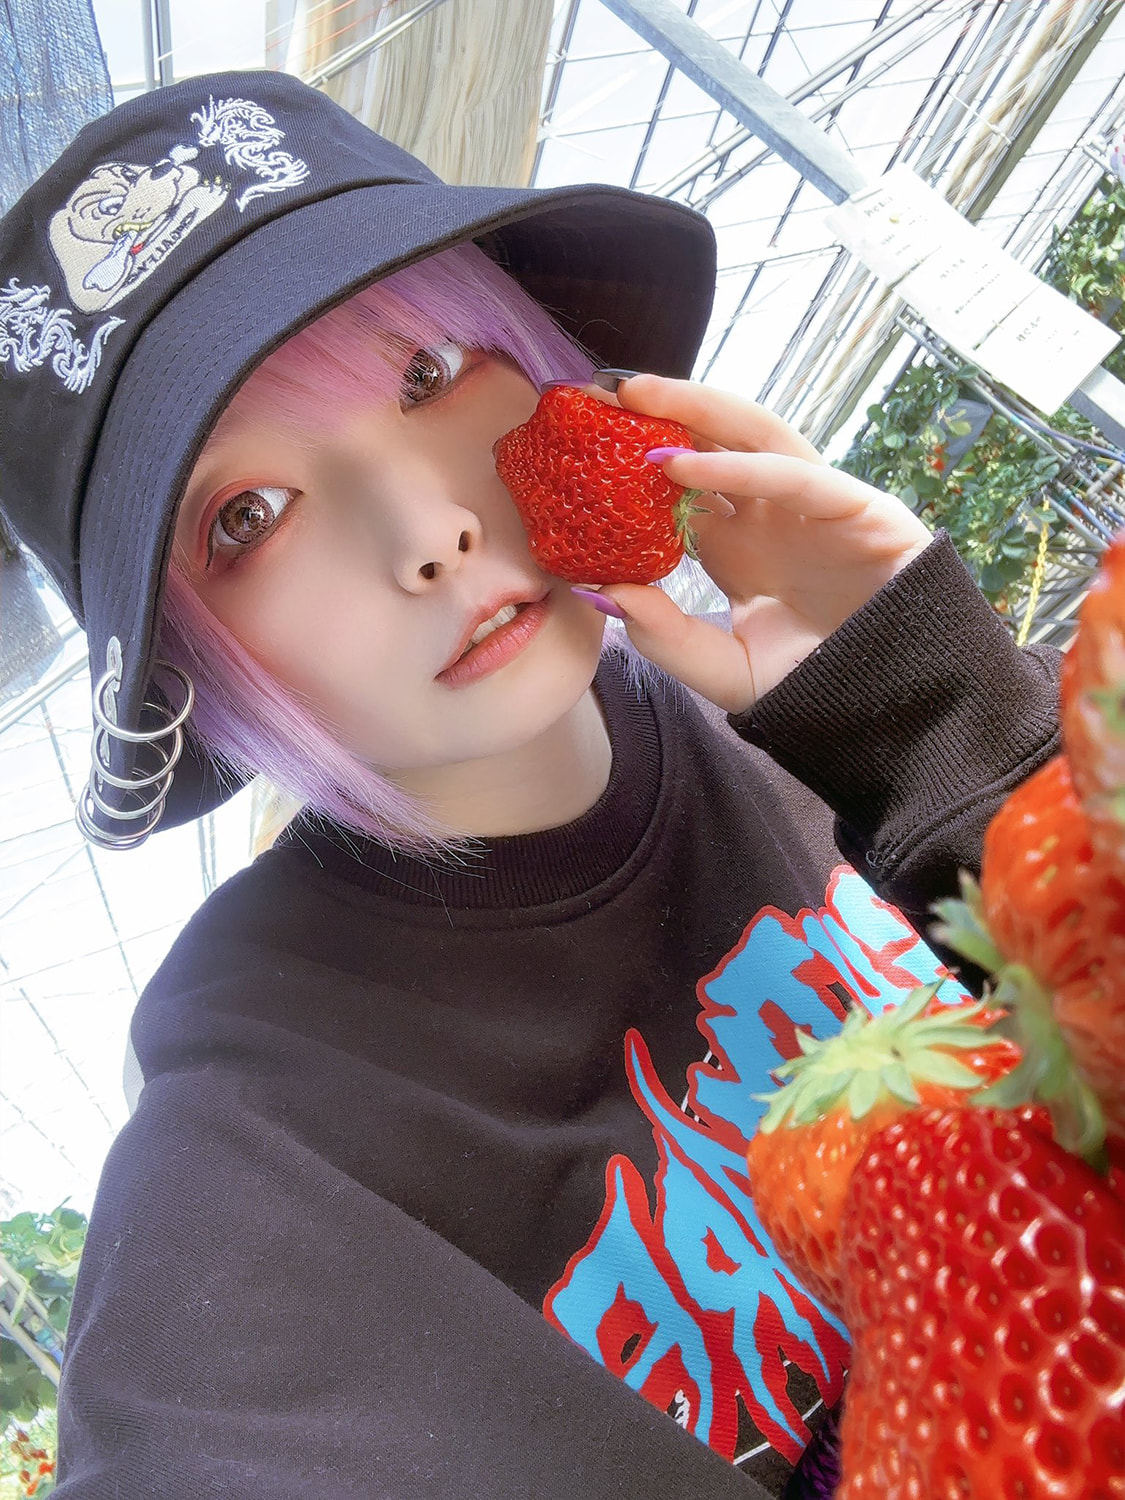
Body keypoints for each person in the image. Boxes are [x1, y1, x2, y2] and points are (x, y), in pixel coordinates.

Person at [0, 71, 1060, 1499]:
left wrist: (938, 726)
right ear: (186, 668)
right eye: (248, 516)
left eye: (427, 371)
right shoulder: (262, 1143)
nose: (427, 531)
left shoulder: (793, 715)